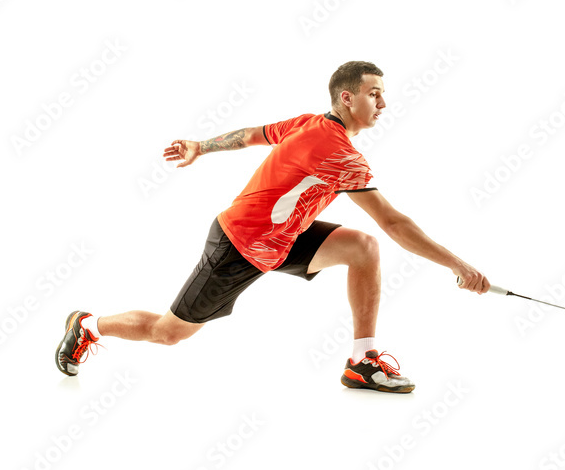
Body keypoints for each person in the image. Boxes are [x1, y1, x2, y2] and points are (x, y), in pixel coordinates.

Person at [55, 61, 490, 392]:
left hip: (283, 239)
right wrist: (458, 265)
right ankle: (88, 324)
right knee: (167, 334)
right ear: (346, 98)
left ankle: (363, 362)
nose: (383, 103)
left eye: (382, 95)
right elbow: (394, 221)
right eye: (374, 94)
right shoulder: (341, 154)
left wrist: (201, 147)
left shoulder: (310, 123)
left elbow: (251, 135)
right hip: (239, 245)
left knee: (362, 247)